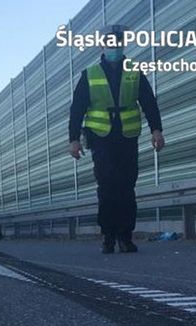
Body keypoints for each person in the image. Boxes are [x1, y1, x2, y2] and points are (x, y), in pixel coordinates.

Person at [68, 24, 165, 254]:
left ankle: (125, 236)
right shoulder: (89, 74)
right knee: (108, 186)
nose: (115, 47)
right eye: (110, 43)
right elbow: (77, 109)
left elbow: (149, 102)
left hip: (127, 137)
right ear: (103, 45)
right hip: (101, 139)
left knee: (126, 186)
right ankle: (108, 236)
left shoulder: (134, 71)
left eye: (118, 43)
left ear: (122, 45)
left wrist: (157, 130)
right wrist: (74, 139)